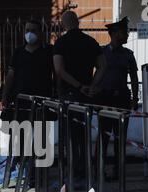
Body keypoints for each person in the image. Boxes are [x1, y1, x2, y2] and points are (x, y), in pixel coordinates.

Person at [53, 10, 107, 181]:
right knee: (84, 134)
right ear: (78, 22)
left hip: (70, 94)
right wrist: (91, 85)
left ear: (64, 24)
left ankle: (73, 171)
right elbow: (103, 66)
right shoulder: (90, 42)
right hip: (86, 96)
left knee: (70, 136)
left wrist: (78, 86)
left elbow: (59, 70)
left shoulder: (61, 43)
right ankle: (85, 169)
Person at [0, 19, 54, 185]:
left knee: (41, 141)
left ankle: (40, 178)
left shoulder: (48, 52)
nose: (29, 33)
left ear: (40, 33)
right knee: (22, 141)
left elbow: (56, 74)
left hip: (41, 103)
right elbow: (11, 75)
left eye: (33, 30)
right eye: (27, 29)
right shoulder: (18, 52)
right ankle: (26, 174)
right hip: (21, 104)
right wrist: (5, 97)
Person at [98, 17, 139, 180]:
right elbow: (95, 74)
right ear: (115, 34)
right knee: (104, 137)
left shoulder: (128, 55)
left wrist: (135, 98)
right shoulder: (101, 52)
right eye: (124, 32)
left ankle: (119, 171)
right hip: (105, 99)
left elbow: (134, 78)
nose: (127, 35)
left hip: (121, 99)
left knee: (120, 138)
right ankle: (99, 170)